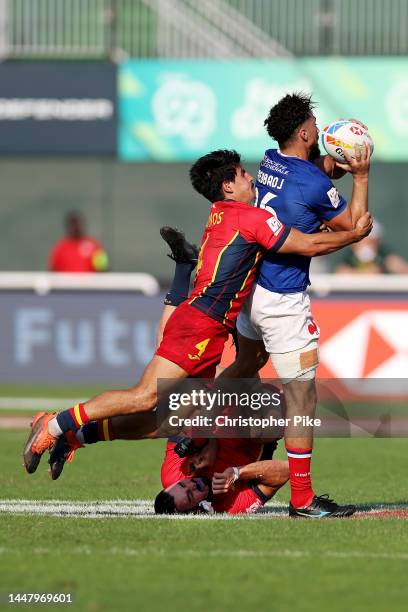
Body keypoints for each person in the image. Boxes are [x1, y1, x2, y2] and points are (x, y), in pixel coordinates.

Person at [24, 149, 372, 504]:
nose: (250, 177)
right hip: (201, 325)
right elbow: (306, 244)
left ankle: (76, 435)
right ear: (227, 186)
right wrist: (352, 234)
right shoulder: (251, 218)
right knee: (144, 396)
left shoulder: (223, 213)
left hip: (205, 324)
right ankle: (54, 425)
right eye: (241, 174)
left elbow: (299, 237)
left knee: (166, 419)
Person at [226, 93, 371, 518]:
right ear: (306, 132)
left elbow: (311, 178)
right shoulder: (311, 182)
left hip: (250, 291)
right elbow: (355, 226)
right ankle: (304, 500)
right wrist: (360, 175)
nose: (318, 129)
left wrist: (333, 166)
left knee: (247, 364)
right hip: (283, 302)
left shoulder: (271, 161)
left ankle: (193, 425)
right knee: (301, 399)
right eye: (314, 123)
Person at [154, 437, 290, 515]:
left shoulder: (172, 474)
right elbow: (287, 469)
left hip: (220, 400)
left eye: (182, 484)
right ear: (197, 511)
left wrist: (210, 441)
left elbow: (186, 413)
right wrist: (238, 473)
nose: (192, 484)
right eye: (190, 495)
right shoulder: (230, 508)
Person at [335, 219, 408, 274]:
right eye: (363, 240)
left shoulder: (382, 252)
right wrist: (366, 273)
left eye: (370, 241)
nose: (366, 245)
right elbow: (341, 272)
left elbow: (402, 268)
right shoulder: (348, 254)